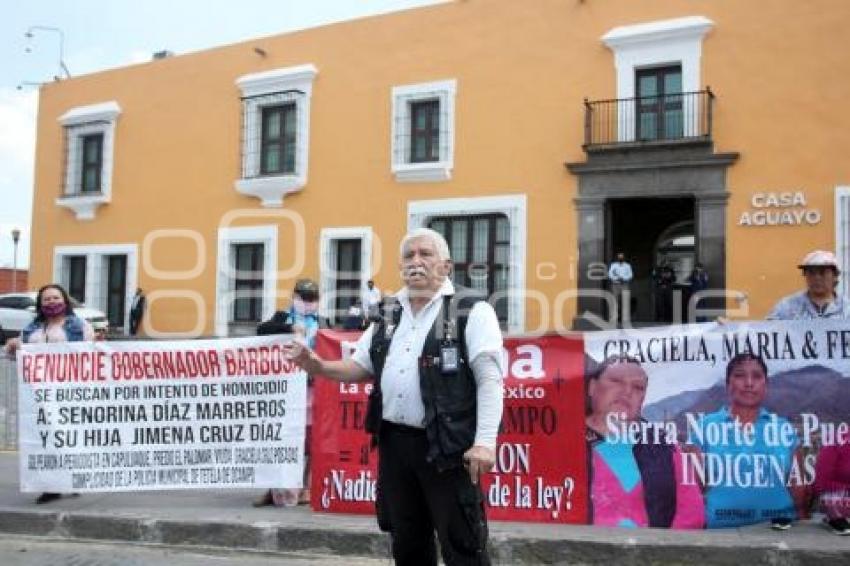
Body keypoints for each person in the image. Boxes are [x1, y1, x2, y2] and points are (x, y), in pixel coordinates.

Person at [284, 228, 504, 566]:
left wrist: (485, 442)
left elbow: (489, 378)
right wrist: (318, 365)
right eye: (409, 255)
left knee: (464, 545)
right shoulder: (388, 313)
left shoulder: (471, 310)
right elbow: (360, 365)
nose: (416, 261)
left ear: (445, 266)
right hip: (396, 446)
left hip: (448, 448)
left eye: (425, 254)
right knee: (407, 542)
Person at [585, 355, 704, 529]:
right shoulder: (563, 441)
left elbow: (692, 514)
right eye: (616, 381)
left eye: (638, 387)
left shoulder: (664, 446)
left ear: (643, 399)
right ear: (592, 387)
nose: (627, 391)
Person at [689, 353, 806, 529]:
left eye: (757, 376)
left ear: (766, 385)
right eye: (739, 375)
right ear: (728, 385)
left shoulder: (784, 429)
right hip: (721, 534)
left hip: (779, 531)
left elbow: (799, 491)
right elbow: (692, 489)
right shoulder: (705, 427)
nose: (749, 383)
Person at [4, 283, 95, 504]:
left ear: (64, 300)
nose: (51, 302)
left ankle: (71, 478)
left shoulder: (80, 326)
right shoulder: (31, 330)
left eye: (55, 298)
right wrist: (13, 347)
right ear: (40, 304)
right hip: (40, 395)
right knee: (45, 439)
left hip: (70, 392)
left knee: (69, 438)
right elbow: (18, 359)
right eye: (46, 299)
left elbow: (91, 356)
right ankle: (50, 485)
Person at [254, 278, 324, 508]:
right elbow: (262, 330)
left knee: (311, 439)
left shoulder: (323, 322)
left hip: (312, 387)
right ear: (294, 297)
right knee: (280, 436)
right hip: (284, 388)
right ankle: (273, 488)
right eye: (303, 297)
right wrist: (288, 329)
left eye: (311, 298)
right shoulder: (282, 317)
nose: (307, 302)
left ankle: (305, 486)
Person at [767, 250, 850, 319]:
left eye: (822, 273)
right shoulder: (787, 307)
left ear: (835, 276)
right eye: (811, 273)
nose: (817, 278)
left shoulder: (846, 309)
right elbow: (771, 331)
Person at [814, 438, 850, 535]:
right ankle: (834, 517)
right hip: (835, 488)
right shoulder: (836, 444)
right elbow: (823, 471)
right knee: (834, 492)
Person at [608, 252, 633, 326]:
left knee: (625, 302)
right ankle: (613, 320)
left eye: (622, 257)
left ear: (624, 258)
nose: (620, 258)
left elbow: (630, 275)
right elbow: (610, 274)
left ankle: (625, 321)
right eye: (619, 257)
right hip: (615, 284)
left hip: (625, 284)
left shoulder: (627, 266)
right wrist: (617, 278)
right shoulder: (613, 265)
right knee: (614, 302)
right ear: (617, 258)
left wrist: (624, 278)